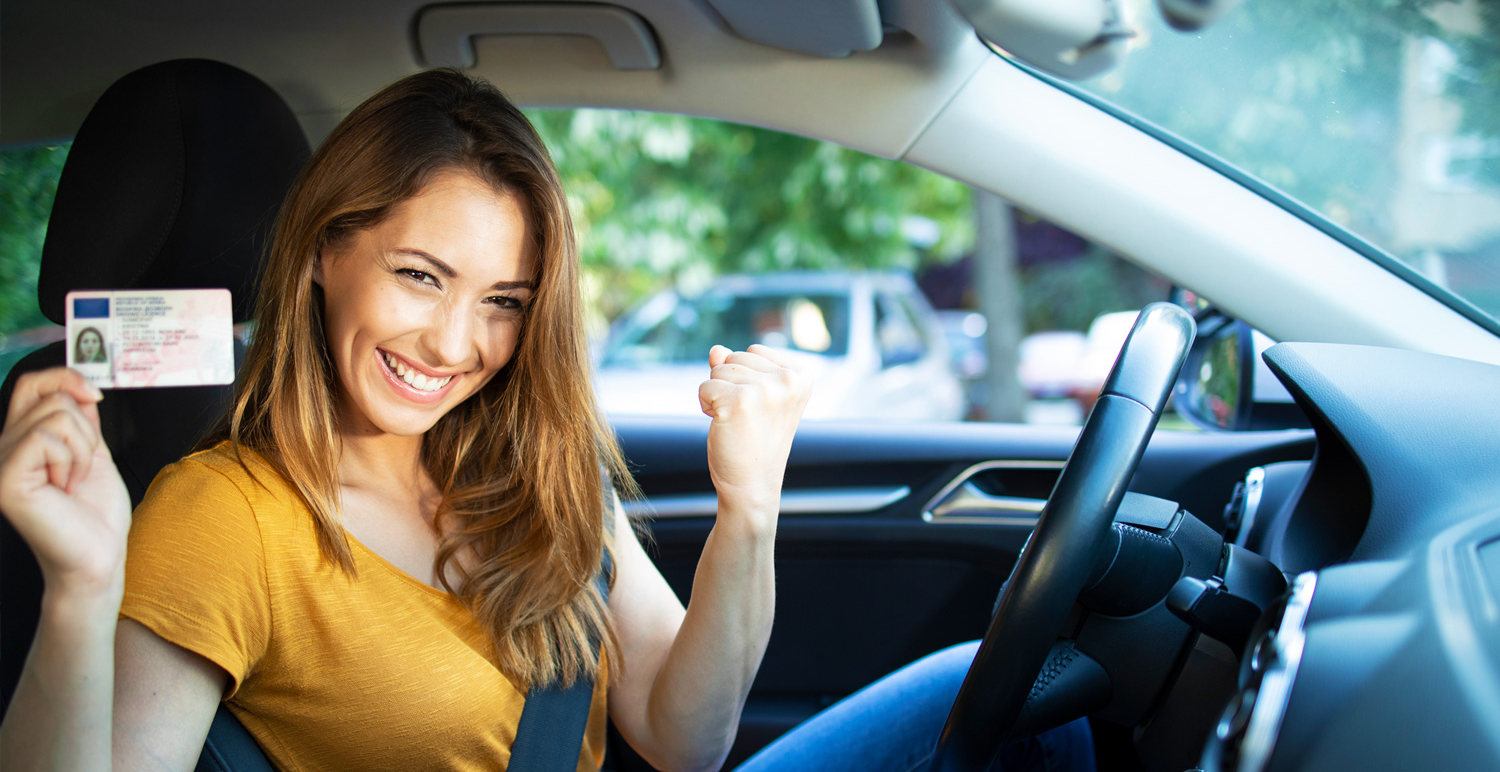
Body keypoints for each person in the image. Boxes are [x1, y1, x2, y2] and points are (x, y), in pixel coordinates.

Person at [0, 69, 1093, 772]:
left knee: (1023, 695)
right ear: (327, 251)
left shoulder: (524, 465)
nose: (453, 343)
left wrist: (748, 511)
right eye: (421, 276)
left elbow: (684, 733)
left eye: (503, 304)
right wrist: (80, 589)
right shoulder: (224, 513)